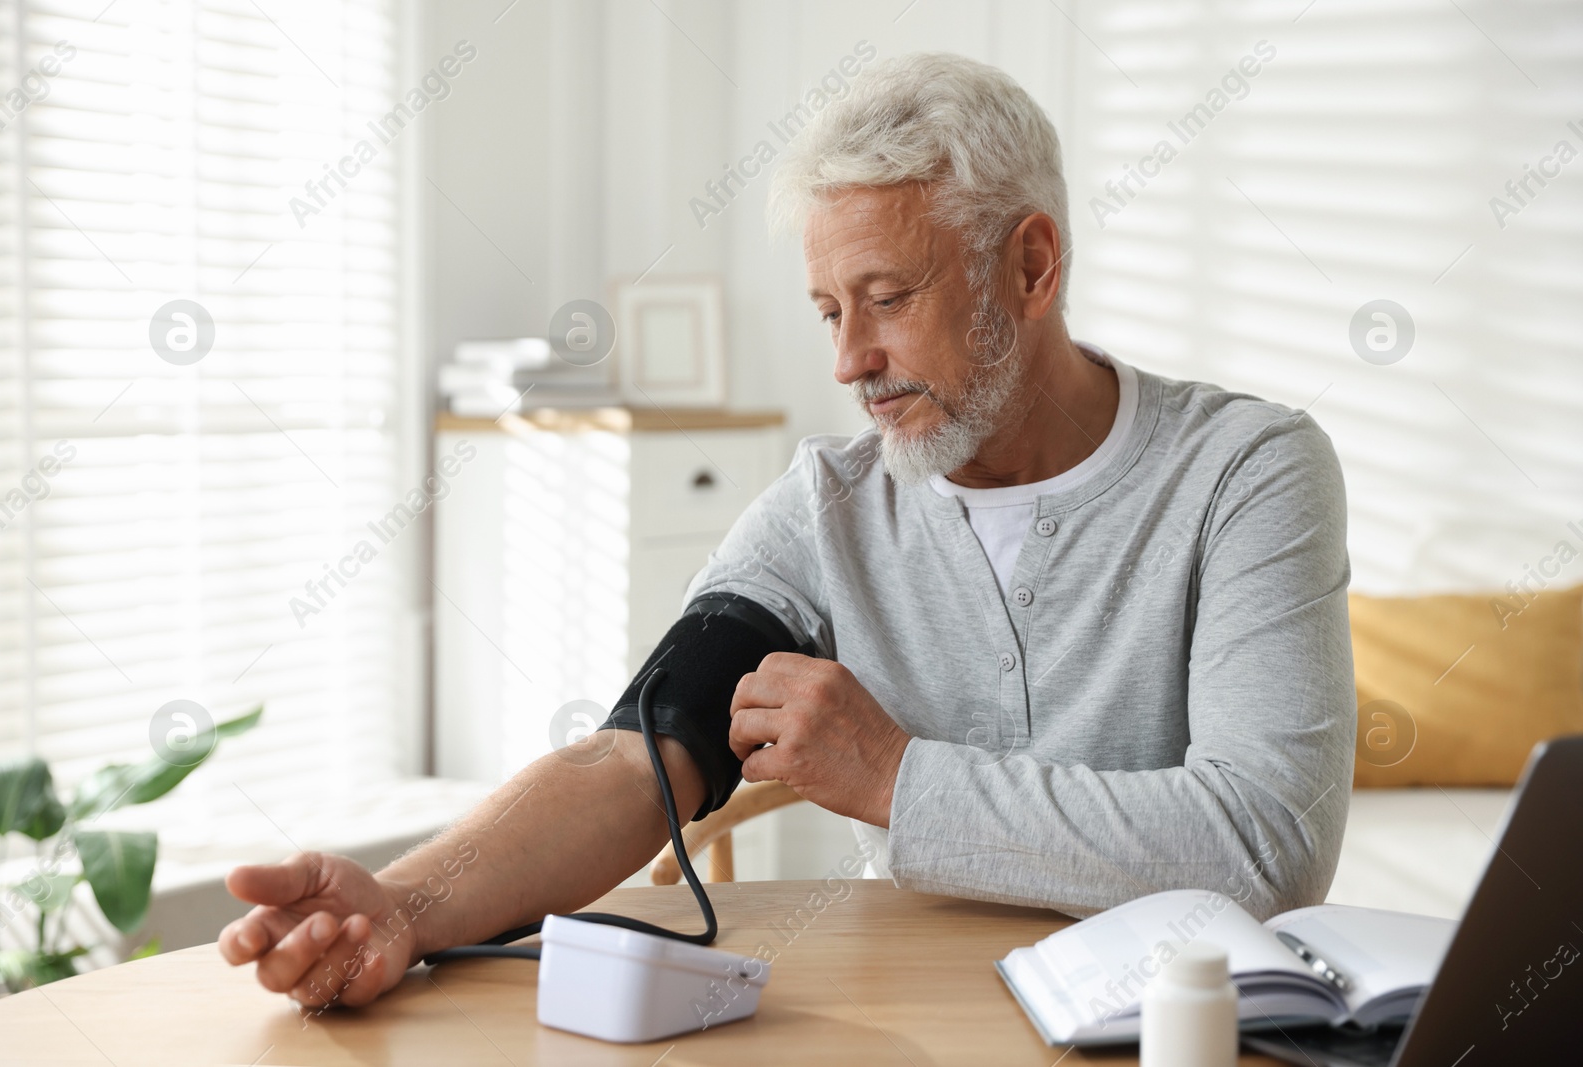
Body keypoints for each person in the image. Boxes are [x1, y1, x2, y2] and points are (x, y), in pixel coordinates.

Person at [218, 52, 1355, 1010]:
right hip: (923, 1022)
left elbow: (1260, 841)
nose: (847, 359)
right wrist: (406, 905)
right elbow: (631, 760)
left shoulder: (1246, 472)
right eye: (827, 308)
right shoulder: (829, 507)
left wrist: (896, 778)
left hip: (1190, 1026)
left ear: (1030, 264)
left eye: (889, 297)